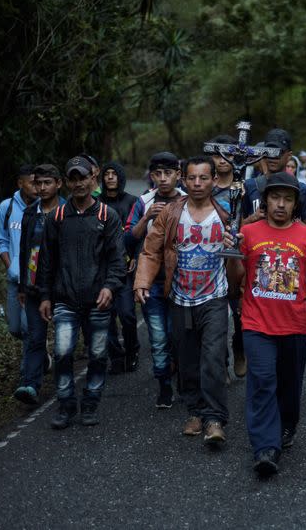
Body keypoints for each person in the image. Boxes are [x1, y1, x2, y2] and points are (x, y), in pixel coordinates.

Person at [226, 172, 306, 475]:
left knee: (289, 388)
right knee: (262, 383)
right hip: (256, 324)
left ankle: (287, 424)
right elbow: (234, 282)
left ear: (295, 204)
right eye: (275, 197)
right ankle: (265, 448)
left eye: (287, 199)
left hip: (295, 325)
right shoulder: (248, 233)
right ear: (265, 200)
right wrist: (234, 255)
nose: (280, 204)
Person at [134, 156, 231, 445]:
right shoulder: (172, 213)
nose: (198, 183)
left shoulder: (225, 214)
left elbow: (244, 249)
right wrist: (142, 281)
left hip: (215, 297)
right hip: (180, 298)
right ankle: (195, 411)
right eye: (192, 178)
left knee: (212, 358)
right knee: (187, 360)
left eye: (204, 178)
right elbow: (151, 251)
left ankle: (215, 418)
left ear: (214, 180)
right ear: (184, 180)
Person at [37, 155, 126, 429]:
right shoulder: (57, 218)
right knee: (63, 352)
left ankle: (90, 403)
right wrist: (44, 296)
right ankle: (65, 405)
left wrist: (110, 287)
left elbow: (116, 259)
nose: (78, 184)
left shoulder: (106, 216)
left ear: (92, 179)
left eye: (83, 177)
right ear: (67, 183)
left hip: (98, 301)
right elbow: (46, 261)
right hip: (64, 299)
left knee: (98, 354)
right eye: (73, 179)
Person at [125, 152, 185, 408]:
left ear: (178, 174)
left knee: (179, 336)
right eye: (158, 173)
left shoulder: (187, 199)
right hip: (153, 280)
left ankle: (184, 378)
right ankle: (164, 386)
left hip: (182, 279)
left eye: (168, 173)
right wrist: (147, 217)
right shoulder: (143, 201)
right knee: (158, 338)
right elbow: (128, 239)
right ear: (151, 176)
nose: (163, 179)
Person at [14, 164, 65, 405]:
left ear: (58, 184)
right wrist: (23, 286)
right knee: (36, 336)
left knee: (65, 339)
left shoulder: (68, 210)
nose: (42, 188)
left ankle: (65, 385)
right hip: (34, 283)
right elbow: (24, 249)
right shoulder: (30, 212)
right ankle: (31, 384)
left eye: (47, 183)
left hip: (63, 284)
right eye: (38, 183)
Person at [208, 133, 245, 378]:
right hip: (211, 257)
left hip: (240, 255)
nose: (223, 160)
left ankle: (240, 346)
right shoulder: (204, 189)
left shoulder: (246, 187)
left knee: (242, 310)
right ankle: (220, 360)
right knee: (215, 314)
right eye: (217, 154)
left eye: (229, 155)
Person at [99, 161, 140, 375]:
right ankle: (115, 356)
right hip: (101, 269)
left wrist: (135, 256)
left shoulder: (132, 202)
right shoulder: (96, 204)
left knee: (127, 314)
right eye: (107, 174)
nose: (110, 177)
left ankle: (132, 350)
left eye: (115, 174)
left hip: (124, 268)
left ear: (120, 177)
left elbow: (139, 234)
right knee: (106, 316)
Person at [0, 164, 37, 356]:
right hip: (14, 279)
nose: (38, 187)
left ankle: (27, 376)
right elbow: (0, 240)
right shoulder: (6, 207)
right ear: (20, 183)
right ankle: (40, 354)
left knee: (28, 328)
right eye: (32, 183)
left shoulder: (42, 208)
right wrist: (11, 267)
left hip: (34, 281)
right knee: (15, 329)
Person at [241, 128, 306, 230]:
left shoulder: (302, 189)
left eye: (278, 152)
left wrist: (292, 221)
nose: (273, 156)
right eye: (269, 151)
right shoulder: (249, 186)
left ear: (289, 155)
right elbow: (235, 231)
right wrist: (253, 218)